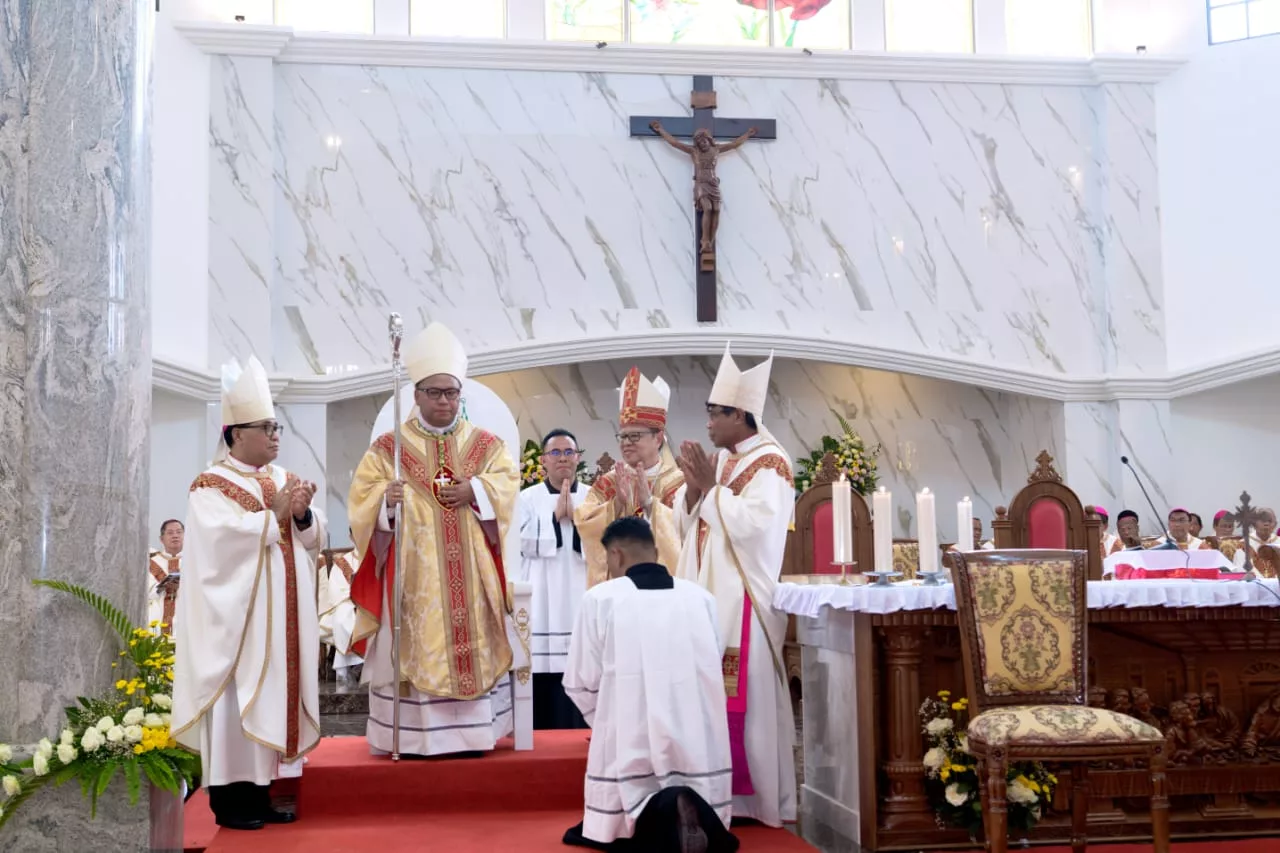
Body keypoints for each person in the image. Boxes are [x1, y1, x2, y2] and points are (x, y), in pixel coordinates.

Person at [347, 322, 520, 757]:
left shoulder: (485, 444)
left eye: (452, 393)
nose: (445, 401)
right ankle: (418, 738)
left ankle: (475, 735)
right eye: (436, 392)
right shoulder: (389, 448)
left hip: (472, 574)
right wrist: (385, 504)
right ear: (417, 394)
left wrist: (476, 491)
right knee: (418, 646)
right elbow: (361, 501)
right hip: (416, 577)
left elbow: (507, 484)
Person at [172, 356, 324, 831]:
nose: (276, 436)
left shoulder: (281, 478)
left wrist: (302, 515)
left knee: (273, 701)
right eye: (266, 428)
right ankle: (231, 802)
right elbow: (217, 544)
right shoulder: (209, 486)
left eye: (277, 427)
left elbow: (310, 540)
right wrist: (273, 516)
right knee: (236, 706)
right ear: (236, 433)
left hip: (281, 623)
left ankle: (262, 794)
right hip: (238, 625)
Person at [673, 343, 796, 829]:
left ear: (741, 415)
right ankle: (713, 793)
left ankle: (756, 800)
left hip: (744, 600)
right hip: (708, 594)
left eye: (715, 414)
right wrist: (692, 493)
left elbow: (758, 527)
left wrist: (710, 490)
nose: (707, 423)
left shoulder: (771, 463)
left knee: (747, 698)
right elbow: (694, 523)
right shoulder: (723, 460)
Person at [562, 517, 739, 853]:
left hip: (629, 735)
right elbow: (713, 662)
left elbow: (580, 679)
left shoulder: (601, 599)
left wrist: (606, 719)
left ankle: (632, 822)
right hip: (694, 735)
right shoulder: (701, 598)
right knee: (692, 767)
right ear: (655, 552)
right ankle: (692, 810)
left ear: (615, 554)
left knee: (624, 791)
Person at [576, 367, 684, 587]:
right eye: (623, 436)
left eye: (635, 436)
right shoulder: (609, 482)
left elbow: (688, 533)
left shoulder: (679, 483)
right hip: (618, 586)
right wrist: (616, 504)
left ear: (658, 438)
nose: (626, 443)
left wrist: (651, 506)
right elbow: (584, 523)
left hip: (663, 587)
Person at [517, 428, 589, 729]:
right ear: (543, 460)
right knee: (543, 670)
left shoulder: (593, 496)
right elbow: (518, 544)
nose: (563, 459)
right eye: (555, 453)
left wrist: (579, 520)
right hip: (542, 597)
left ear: (578, 458)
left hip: (581, 590)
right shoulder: (526, 498)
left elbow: (603, 545)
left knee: (583, 665)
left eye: (569, 452)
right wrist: (554, 519)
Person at [318, 540, 364, 689]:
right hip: (347, 601)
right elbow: (336, 590)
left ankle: (363, 666)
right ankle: (353, 667)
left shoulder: (376, 558)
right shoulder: (342, 562)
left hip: (370, 603)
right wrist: (354, 597)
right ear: (351, 536)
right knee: (342, 618)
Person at [148, 519, 185, 636]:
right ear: (161, 539)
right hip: (157, 618)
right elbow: (145, 593)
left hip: (186, 616)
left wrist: (183, 586)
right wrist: (162, 587)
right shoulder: (150, 562)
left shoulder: (195, 560)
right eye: (170, 533)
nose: (175, 536)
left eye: (179, 532)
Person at [1233, 507, 1280, 571]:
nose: (1266, 524)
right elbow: (1240, 569)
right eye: (1263, 520)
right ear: (1254, 524)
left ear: (1275, 524)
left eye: (1270, 521)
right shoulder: (1243, 544)